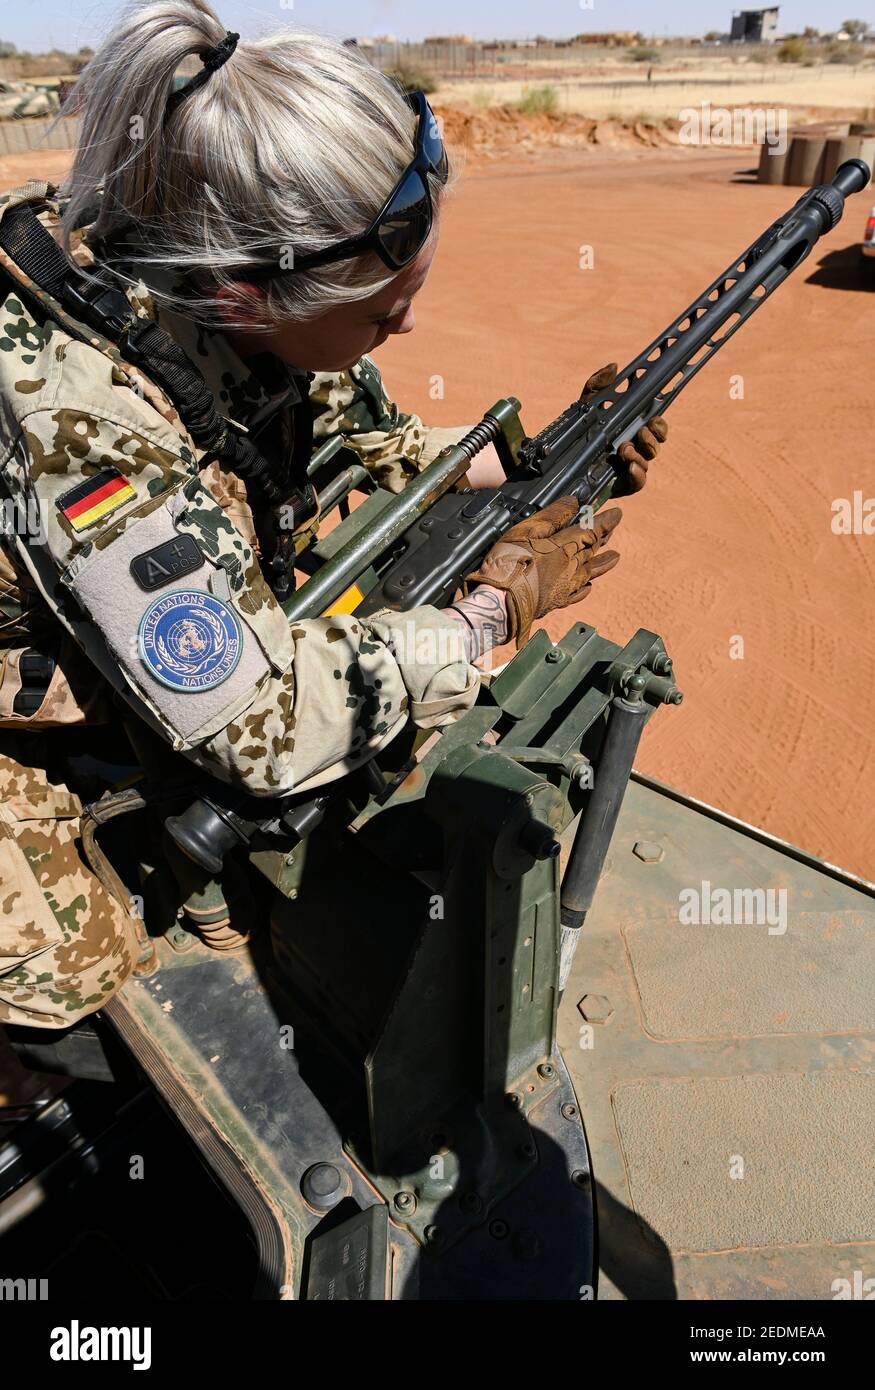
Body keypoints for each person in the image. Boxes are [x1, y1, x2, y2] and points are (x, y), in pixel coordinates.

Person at [0, 1, 666, 1029]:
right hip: (31, 700)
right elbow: (257, 731)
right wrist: (485, 621)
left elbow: (390, 451)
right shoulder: (82, 423)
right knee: (74, 956)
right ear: (243, 296)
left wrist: (566, 455)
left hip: (99, 606)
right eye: (375, 312)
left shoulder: (188, 262)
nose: (405, 325)